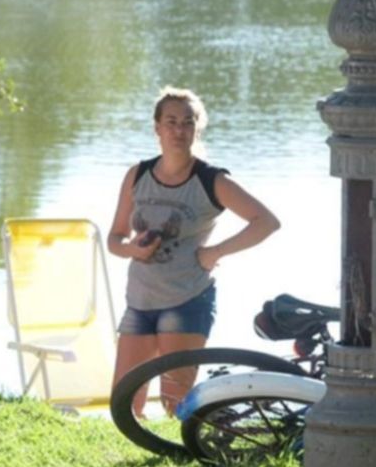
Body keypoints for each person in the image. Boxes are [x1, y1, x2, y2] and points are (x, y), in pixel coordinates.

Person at [107, 87, 280, 415]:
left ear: (196, 129)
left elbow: (266, 222)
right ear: (157, 128)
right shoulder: (138, 175)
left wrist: (215, 251)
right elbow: (114, 239)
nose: (179, 130)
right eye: (171, 121)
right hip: (140, 302)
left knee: (175, 405)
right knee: (123, 404)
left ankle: (178, 458)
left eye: (187, 122)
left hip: (186, 301)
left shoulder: (210, 180)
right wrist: (131, 249)